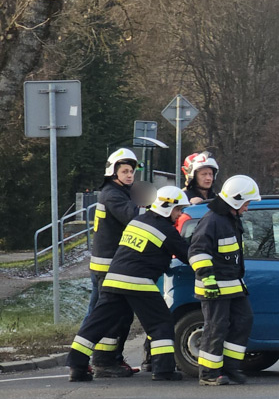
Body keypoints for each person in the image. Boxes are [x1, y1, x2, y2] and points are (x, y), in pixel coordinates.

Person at [67, 186, 191, 382]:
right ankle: (163, 370)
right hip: (139, 281)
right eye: (179, 210)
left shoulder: (138, 221)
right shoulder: (166, 230)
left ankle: (77, 367)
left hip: (113, 279)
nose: (180, 214)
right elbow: (187, 255)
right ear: (168, 207)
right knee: (160, 322)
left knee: (96, 324)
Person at [189, 175, 261, 386]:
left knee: (243, 320)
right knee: (215, 327)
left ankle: (230, 367)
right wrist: (207, 278)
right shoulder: (212, 220)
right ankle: (209, 373)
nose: (247, 208)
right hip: (214, 286)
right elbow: (197, 251)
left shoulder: (230, 218)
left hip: (232, 285)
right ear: (236, 201)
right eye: (246, 203)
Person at [85, 148, 143, 377]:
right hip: (108, 267)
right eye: (125, 171)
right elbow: (134, 216)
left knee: (110, 314)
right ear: (113, 172)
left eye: (132, 171)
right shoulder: (112, 194)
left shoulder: (119, 192)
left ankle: (110, 359)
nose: (130, 175)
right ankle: (102, 362)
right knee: (109, 315)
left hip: (112, 265)